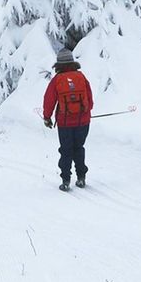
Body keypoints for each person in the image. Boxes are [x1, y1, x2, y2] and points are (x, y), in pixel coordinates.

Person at [43, 47, 93, 192]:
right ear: (72, 62)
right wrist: (84, 113)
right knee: (79, 148)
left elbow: (49, 100)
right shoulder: (81, 77)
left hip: (65, 123)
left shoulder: (57, 80)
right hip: (83, 122)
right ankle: (81, 177)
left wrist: (47, 117)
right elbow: (90, 101)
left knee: (66, 150)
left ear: (58, 64)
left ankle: (66, 180)